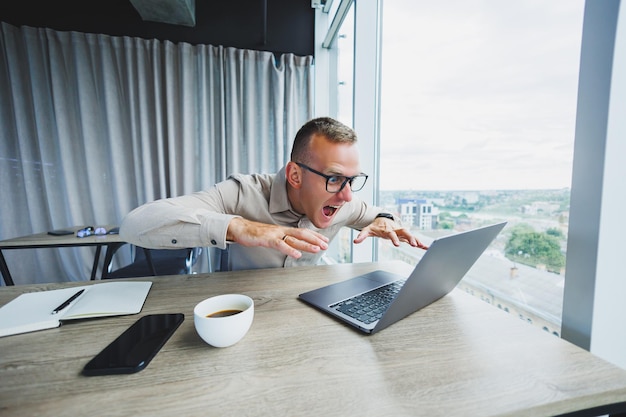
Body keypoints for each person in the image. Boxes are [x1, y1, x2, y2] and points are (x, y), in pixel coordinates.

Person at [120, 117, 428, 270]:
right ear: (295, 175)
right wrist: (240, 227)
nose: (346, 196)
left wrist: (386, 218)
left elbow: (374, 214)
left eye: (352, 180)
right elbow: (135, 224)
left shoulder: (342, 202)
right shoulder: (241, 194)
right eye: (334, 179)